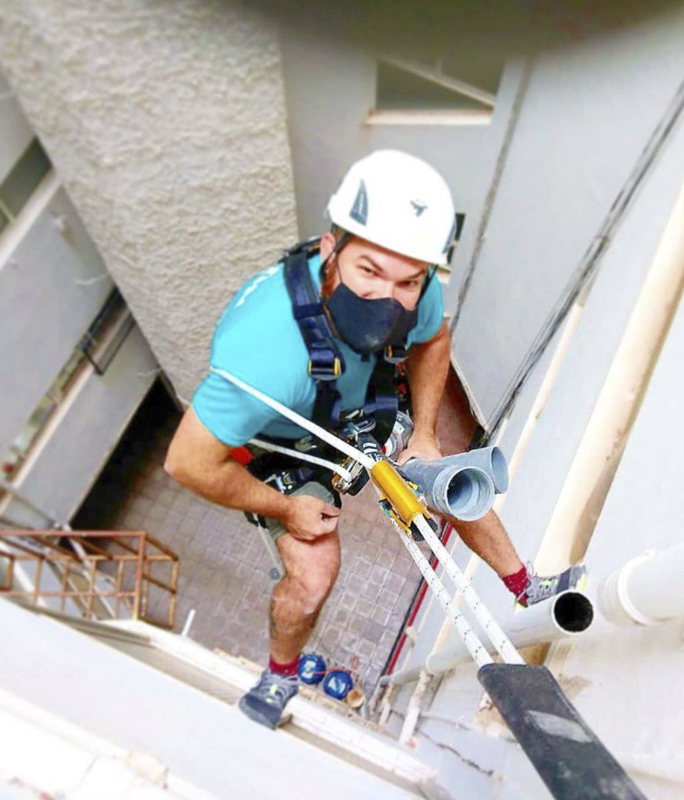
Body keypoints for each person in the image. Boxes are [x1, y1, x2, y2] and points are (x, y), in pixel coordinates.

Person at [165, 150, 584, 730]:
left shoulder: (416, 279)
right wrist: (287, 507)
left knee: (449, 481)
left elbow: (433, 340)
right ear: (331, 247)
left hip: (362, 406)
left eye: (406, 282)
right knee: (312, 578)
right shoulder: (261, 353)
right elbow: (188, 463)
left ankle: (526, 586)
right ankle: (280, 673)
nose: (386, 296)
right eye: (368, 272)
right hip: (289, 440)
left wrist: (428, 436)